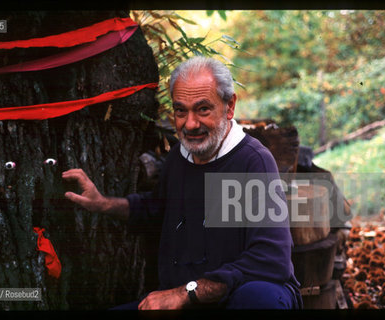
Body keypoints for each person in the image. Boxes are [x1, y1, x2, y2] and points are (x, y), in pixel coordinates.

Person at [62, 56, 303, 309]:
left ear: (229, 106)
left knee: (258, 297)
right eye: (181, 111)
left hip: (235, 300)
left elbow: (271, 259)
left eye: (203, 109)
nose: (190, 124)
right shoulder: (180, 157)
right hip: (187, 303)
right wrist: (102, 203)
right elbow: (154, 209)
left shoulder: (252, 162)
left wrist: (184, 293)